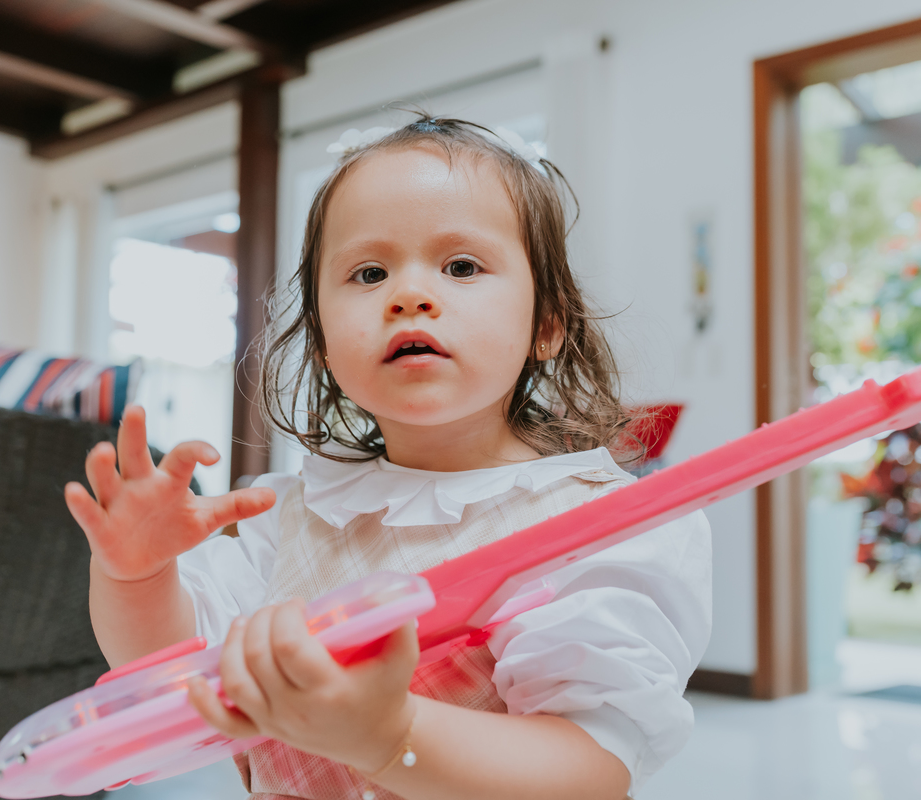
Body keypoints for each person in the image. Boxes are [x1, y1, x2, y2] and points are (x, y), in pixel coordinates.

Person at [65, 116, 711, 800]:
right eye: (368, 272)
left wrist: (386, 735)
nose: (409, 296)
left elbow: (590, 769)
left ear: (546, 323)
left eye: (462, 266)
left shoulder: (601, 527)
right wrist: (136, 578)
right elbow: (176, 680)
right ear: (321, 342)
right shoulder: (293, 516)